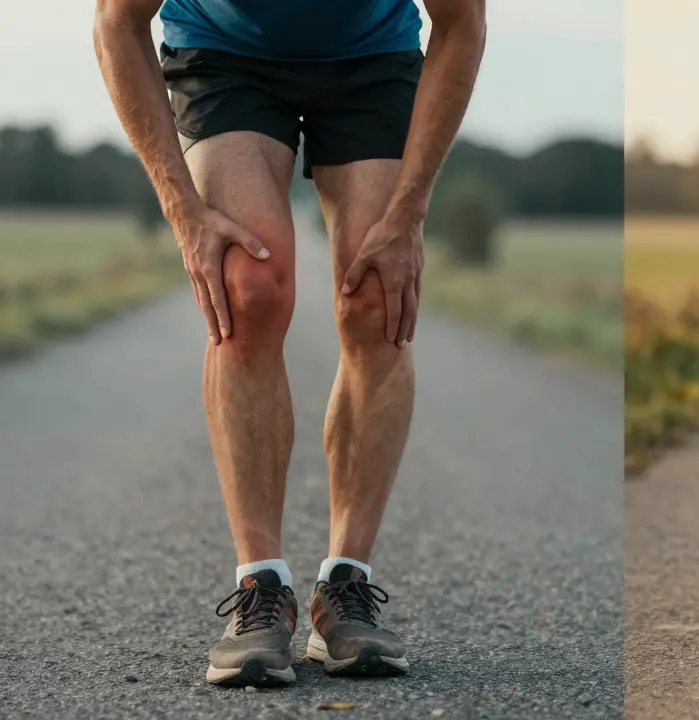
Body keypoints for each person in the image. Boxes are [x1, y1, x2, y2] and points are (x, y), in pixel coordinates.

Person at [94, 0, 486, 687]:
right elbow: (116, 22)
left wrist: (410, 212)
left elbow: (462, 22)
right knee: (250, 287)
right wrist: (184, 213)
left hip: (372, 59)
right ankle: (261, 587)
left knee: (376, 296)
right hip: (224, 56)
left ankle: (346, 585)